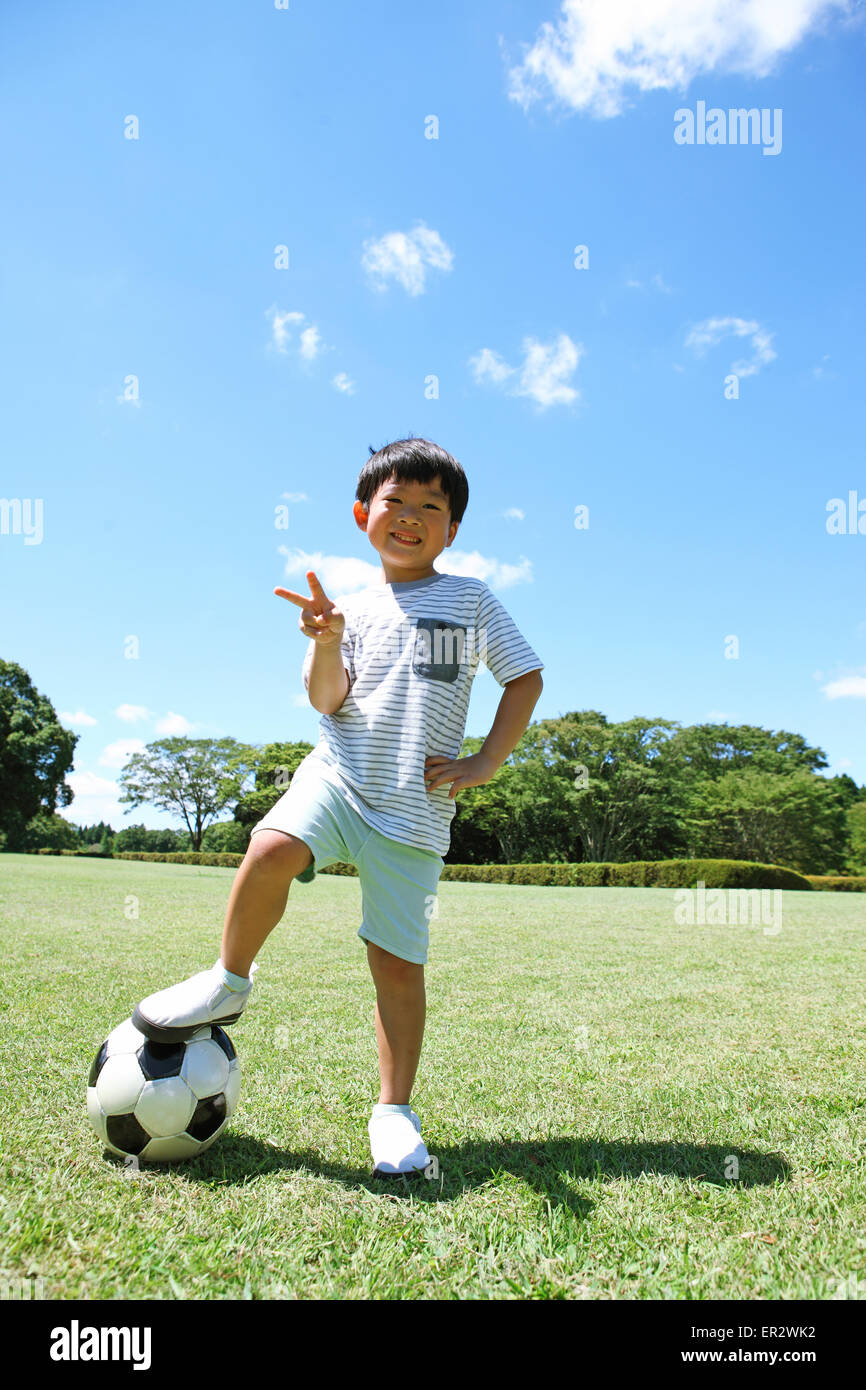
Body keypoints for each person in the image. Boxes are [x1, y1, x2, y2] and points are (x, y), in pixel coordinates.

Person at [133, 437, 544, 1177]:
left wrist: (486, 761)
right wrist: (328, 641)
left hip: (417, 809)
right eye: (396, 502)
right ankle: (229, 980)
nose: (412, 517)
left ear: (452, 529)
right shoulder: (343, 610)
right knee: (270, 849)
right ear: (364, 514)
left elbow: (526, 679)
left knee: (396, 963)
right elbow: (329, 700)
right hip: (340, 776)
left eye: (432, 507)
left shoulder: (470, 598)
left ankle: (393, 1110)